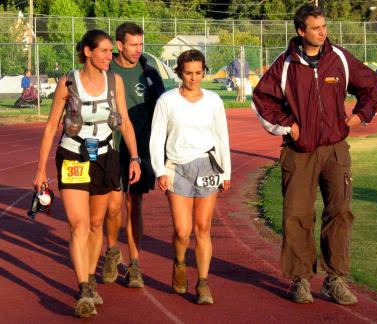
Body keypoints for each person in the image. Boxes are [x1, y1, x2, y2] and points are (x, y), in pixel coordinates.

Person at [252, 4, 377, 305]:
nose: (323, 32)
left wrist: (360, 116)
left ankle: (334, 279)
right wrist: (288, 127)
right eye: (316, 28)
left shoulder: (339, 60)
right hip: (300, 153)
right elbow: (262, 99)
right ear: (301, 31)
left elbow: (371, 85)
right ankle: (300, 280)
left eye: (324, 26)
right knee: (297, 216)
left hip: (335, 149)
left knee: (339, 212)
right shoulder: (285, 64)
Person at [33, 29, 141, 318]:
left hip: (106, 157)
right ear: (88, 52)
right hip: (73, 156)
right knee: (79, 225)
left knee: (96, 224)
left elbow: (126, 123)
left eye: (111, 51)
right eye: (105, 51)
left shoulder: (114, 81)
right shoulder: (68, 82)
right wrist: (40, 169)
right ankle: (83, 290)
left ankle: (91, 278)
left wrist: (134, 158)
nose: (110, 56)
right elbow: (50, 127)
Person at [150, 49, 231, 305]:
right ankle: (180, 261)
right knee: (182, 231)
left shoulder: (214, 101)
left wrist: (226, 171)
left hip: (208, 166)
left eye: (198, 73)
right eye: (188, 73)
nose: (194, 78)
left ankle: (204, 283)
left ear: (204, 72)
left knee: (203, 228)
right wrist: (160, 170)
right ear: (179, 73)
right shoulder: (167, 100)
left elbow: (222, 137)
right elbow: (157, 137)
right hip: (177, 168)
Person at [101, 22, 165, 288]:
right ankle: (113, 251)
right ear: (119, 45)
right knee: (113, 205)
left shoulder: (148, 73)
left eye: (141, 44)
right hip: (112, 148)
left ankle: (135, 264)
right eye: (133, 44)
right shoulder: (106, 70)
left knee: (134, 205)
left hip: (140, 149)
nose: (139, 49)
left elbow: (163, 111)